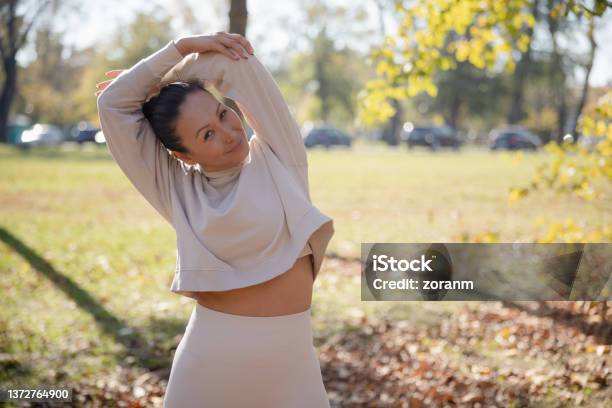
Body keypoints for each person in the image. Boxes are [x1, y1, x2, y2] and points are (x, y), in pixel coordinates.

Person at [95, 32, 334, 407]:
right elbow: (113, 104)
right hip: (209, 367)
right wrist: (177, 49)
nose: (228, 133)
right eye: (207, 134)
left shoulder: (279, 156)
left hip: (293, 370)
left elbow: (231, 62)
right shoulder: (176, 190)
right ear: (185, 156)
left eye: (222, 113)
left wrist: (166, 74)